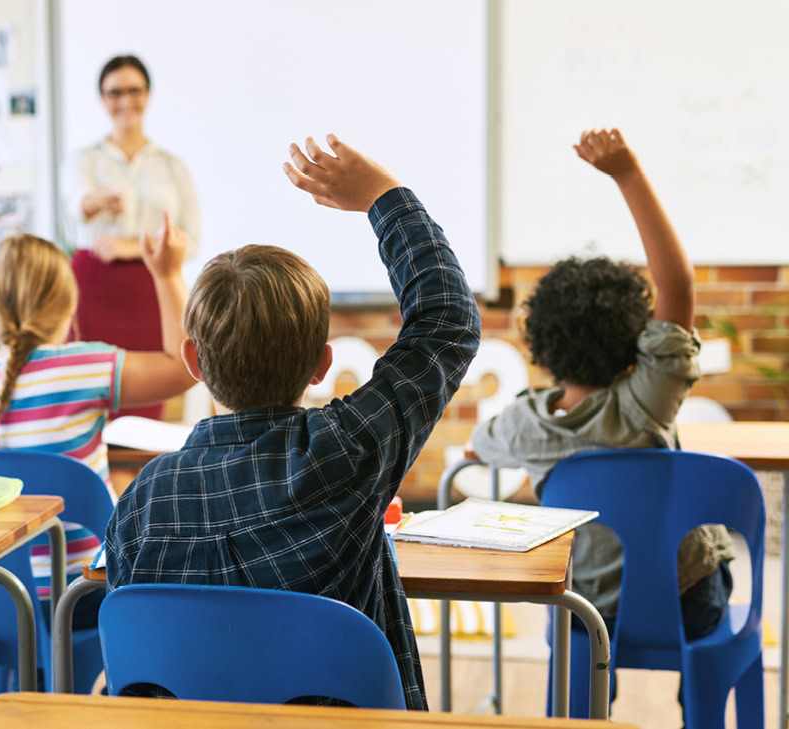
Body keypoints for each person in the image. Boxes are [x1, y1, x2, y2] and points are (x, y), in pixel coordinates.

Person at [105, 134, 482, 709]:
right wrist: (384, 196)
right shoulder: (346, 454)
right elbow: (447, 320)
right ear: (321, 366)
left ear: (192, 364)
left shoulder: (142, 503)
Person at [471, 130, 734, 690]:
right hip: (685, 595)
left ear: (540, 343)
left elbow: (484, 443)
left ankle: (583, 705)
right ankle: (699, 702)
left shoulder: (525, 424)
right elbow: (678, 285)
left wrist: (482, 446)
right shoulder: (647, 402)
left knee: (566, 619)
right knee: (708, 572)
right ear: (637, 338)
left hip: (586, 614)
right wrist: (627, 173)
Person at [0, 217, 196, 624]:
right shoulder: (85, 367)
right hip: (78, 596)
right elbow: (187, 366)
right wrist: (168, 274)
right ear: (69, 305)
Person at [62, 54, 200, 420]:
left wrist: (130, 246)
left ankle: (142, 476)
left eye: (134, 91)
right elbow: (75, 207)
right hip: (93, 288)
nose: (126, 101)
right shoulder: (84, 159)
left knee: (150, 395)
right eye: (115, 92)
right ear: (101, 99)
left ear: (148, 94)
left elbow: (191, 238)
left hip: (152, 288)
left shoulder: (173, 166)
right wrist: (95, 201)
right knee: (88, 393)